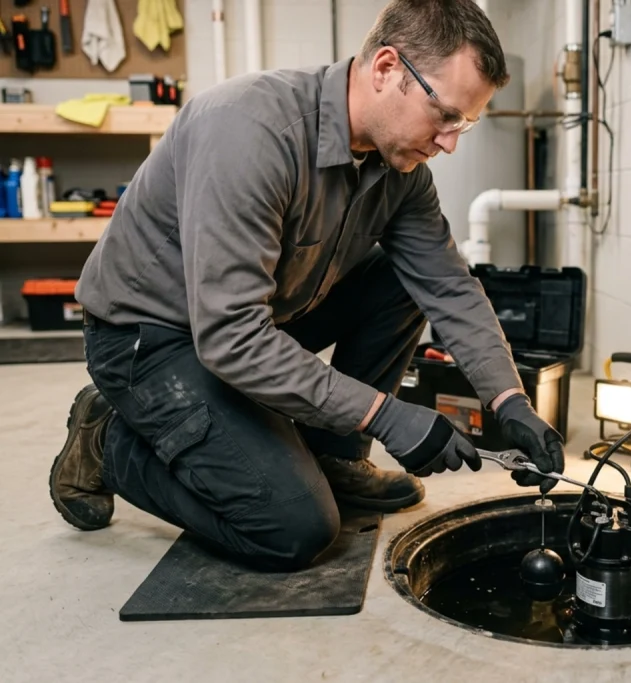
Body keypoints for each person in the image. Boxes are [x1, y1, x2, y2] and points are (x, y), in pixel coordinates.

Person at [48, 0, 565, 572]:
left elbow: (447, 285)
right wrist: (384, 414)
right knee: (294, 529)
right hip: (152, 339)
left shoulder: (399, 171)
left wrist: (508, 400)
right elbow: (231, 337)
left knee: (403, 277)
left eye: (463, 124)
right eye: (444, 115)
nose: (450, 142)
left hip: (258, 317)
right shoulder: (249, 131)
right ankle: (109, 445)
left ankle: (334, 456)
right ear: (387, 68)